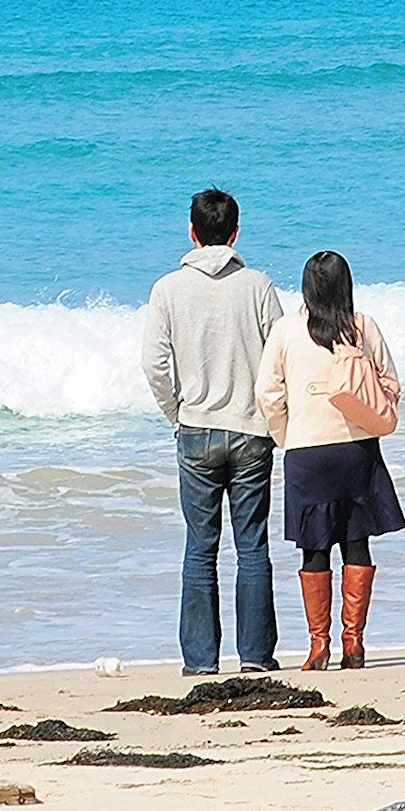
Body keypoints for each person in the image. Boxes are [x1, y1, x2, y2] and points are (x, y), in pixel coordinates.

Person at [140, 187, 285, 674]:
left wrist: (174, 412)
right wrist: (272, 415)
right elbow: (278, 357)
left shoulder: (167, 289)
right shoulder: (258, 286)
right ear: (236, 232)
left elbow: (154, 364)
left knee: (200, 548)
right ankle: (256, 658)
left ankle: (201, 661)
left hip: (196, 429)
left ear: (192, 232)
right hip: (250, 430)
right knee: (252, 546)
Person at [254, 247, 405, 670]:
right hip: (356, 450)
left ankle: (318, 646)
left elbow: (267, 394)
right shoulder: (362, 327)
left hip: (306, 453)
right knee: (357, 542)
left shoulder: (285, 331)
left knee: (313, 549)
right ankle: (353, 643)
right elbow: (391, 382)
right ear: (346, 285)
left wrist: (288, 437)